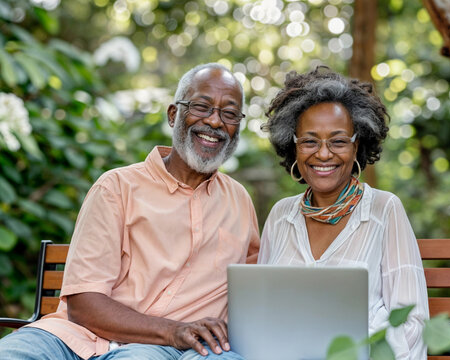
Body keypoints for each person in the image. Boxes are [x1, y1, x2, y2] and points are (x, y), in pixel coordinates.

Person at [0, 63, 260, 360]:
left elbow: (253, 293)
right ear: (173, 114)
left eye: (229, 113)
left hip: (171, 352)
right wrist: (173, 329)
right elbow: (83, 304)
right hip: (73, 338)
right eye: (201, 106)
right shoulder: (116, 187)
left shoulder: (238, 200)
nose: (215, 121)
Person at [258, 66, 429, 359]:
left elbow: (411, 322)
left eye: (338, 141)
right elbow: (261, 313)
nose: (323, 154)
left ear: (357, 145)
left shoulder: (384, 209)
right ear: (294, 146)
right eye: (310, 141)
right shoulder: (280, 216)